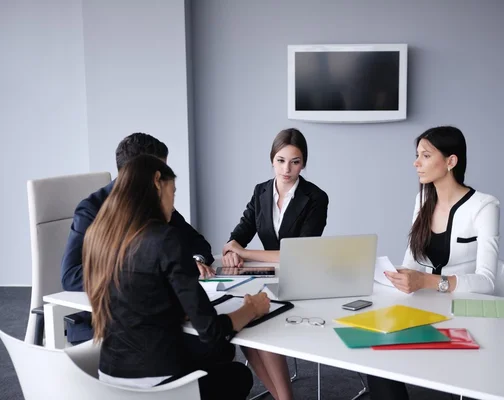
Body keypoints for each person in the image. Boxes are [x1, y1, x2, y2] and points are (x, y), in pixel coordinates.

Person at [83, 155, 270, 400]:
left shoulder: (98, 236)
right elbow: (210, 330)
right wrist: (252, 308)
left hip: (109, 379)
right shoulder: (165, 239)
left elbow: (132, 294)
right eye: (173, 192)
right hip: (161, 385)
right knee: (237, 374)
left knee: (215, 355)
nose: (173, 203)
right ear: (157, 183)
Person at [368, 126, 500, 399]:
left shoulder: (485, 206)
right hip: (425, 308)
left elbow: (487, 281)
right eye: (417, 155)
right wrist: (397, 276)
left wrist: (427, 282)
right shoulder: (423, 199)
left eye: (426, 156)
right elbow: (412, 262)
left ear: (451, 161)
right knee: (376, 351)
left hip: (466, 316)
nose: (416, 163)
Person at [61, 133, 215, 343]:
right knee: (211, 343)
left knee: (214, 341)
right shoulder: (92, 210)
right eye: (160, 173)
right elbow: (71, 275)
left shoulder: (157, 202)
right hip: (104, 321)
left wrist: (196, 260)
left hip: (152, 316)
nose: (164, 181)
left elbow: (198, 243)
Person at [222, 128, 329, 400]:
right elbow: (238, 234)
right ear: (272, 159)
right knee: (244, 325)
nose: (287, 169)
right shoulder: (261, 192)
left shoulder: (316, 198)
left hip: (302, 277)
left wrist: (244, 253)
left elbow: (298, 253)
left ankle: (285, 398)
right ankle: (281, 395)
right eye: (281, 160)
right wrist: (232, 249)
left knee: (263, 325)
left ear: (303, 163)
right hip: (267, 276)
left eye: (295, 161)